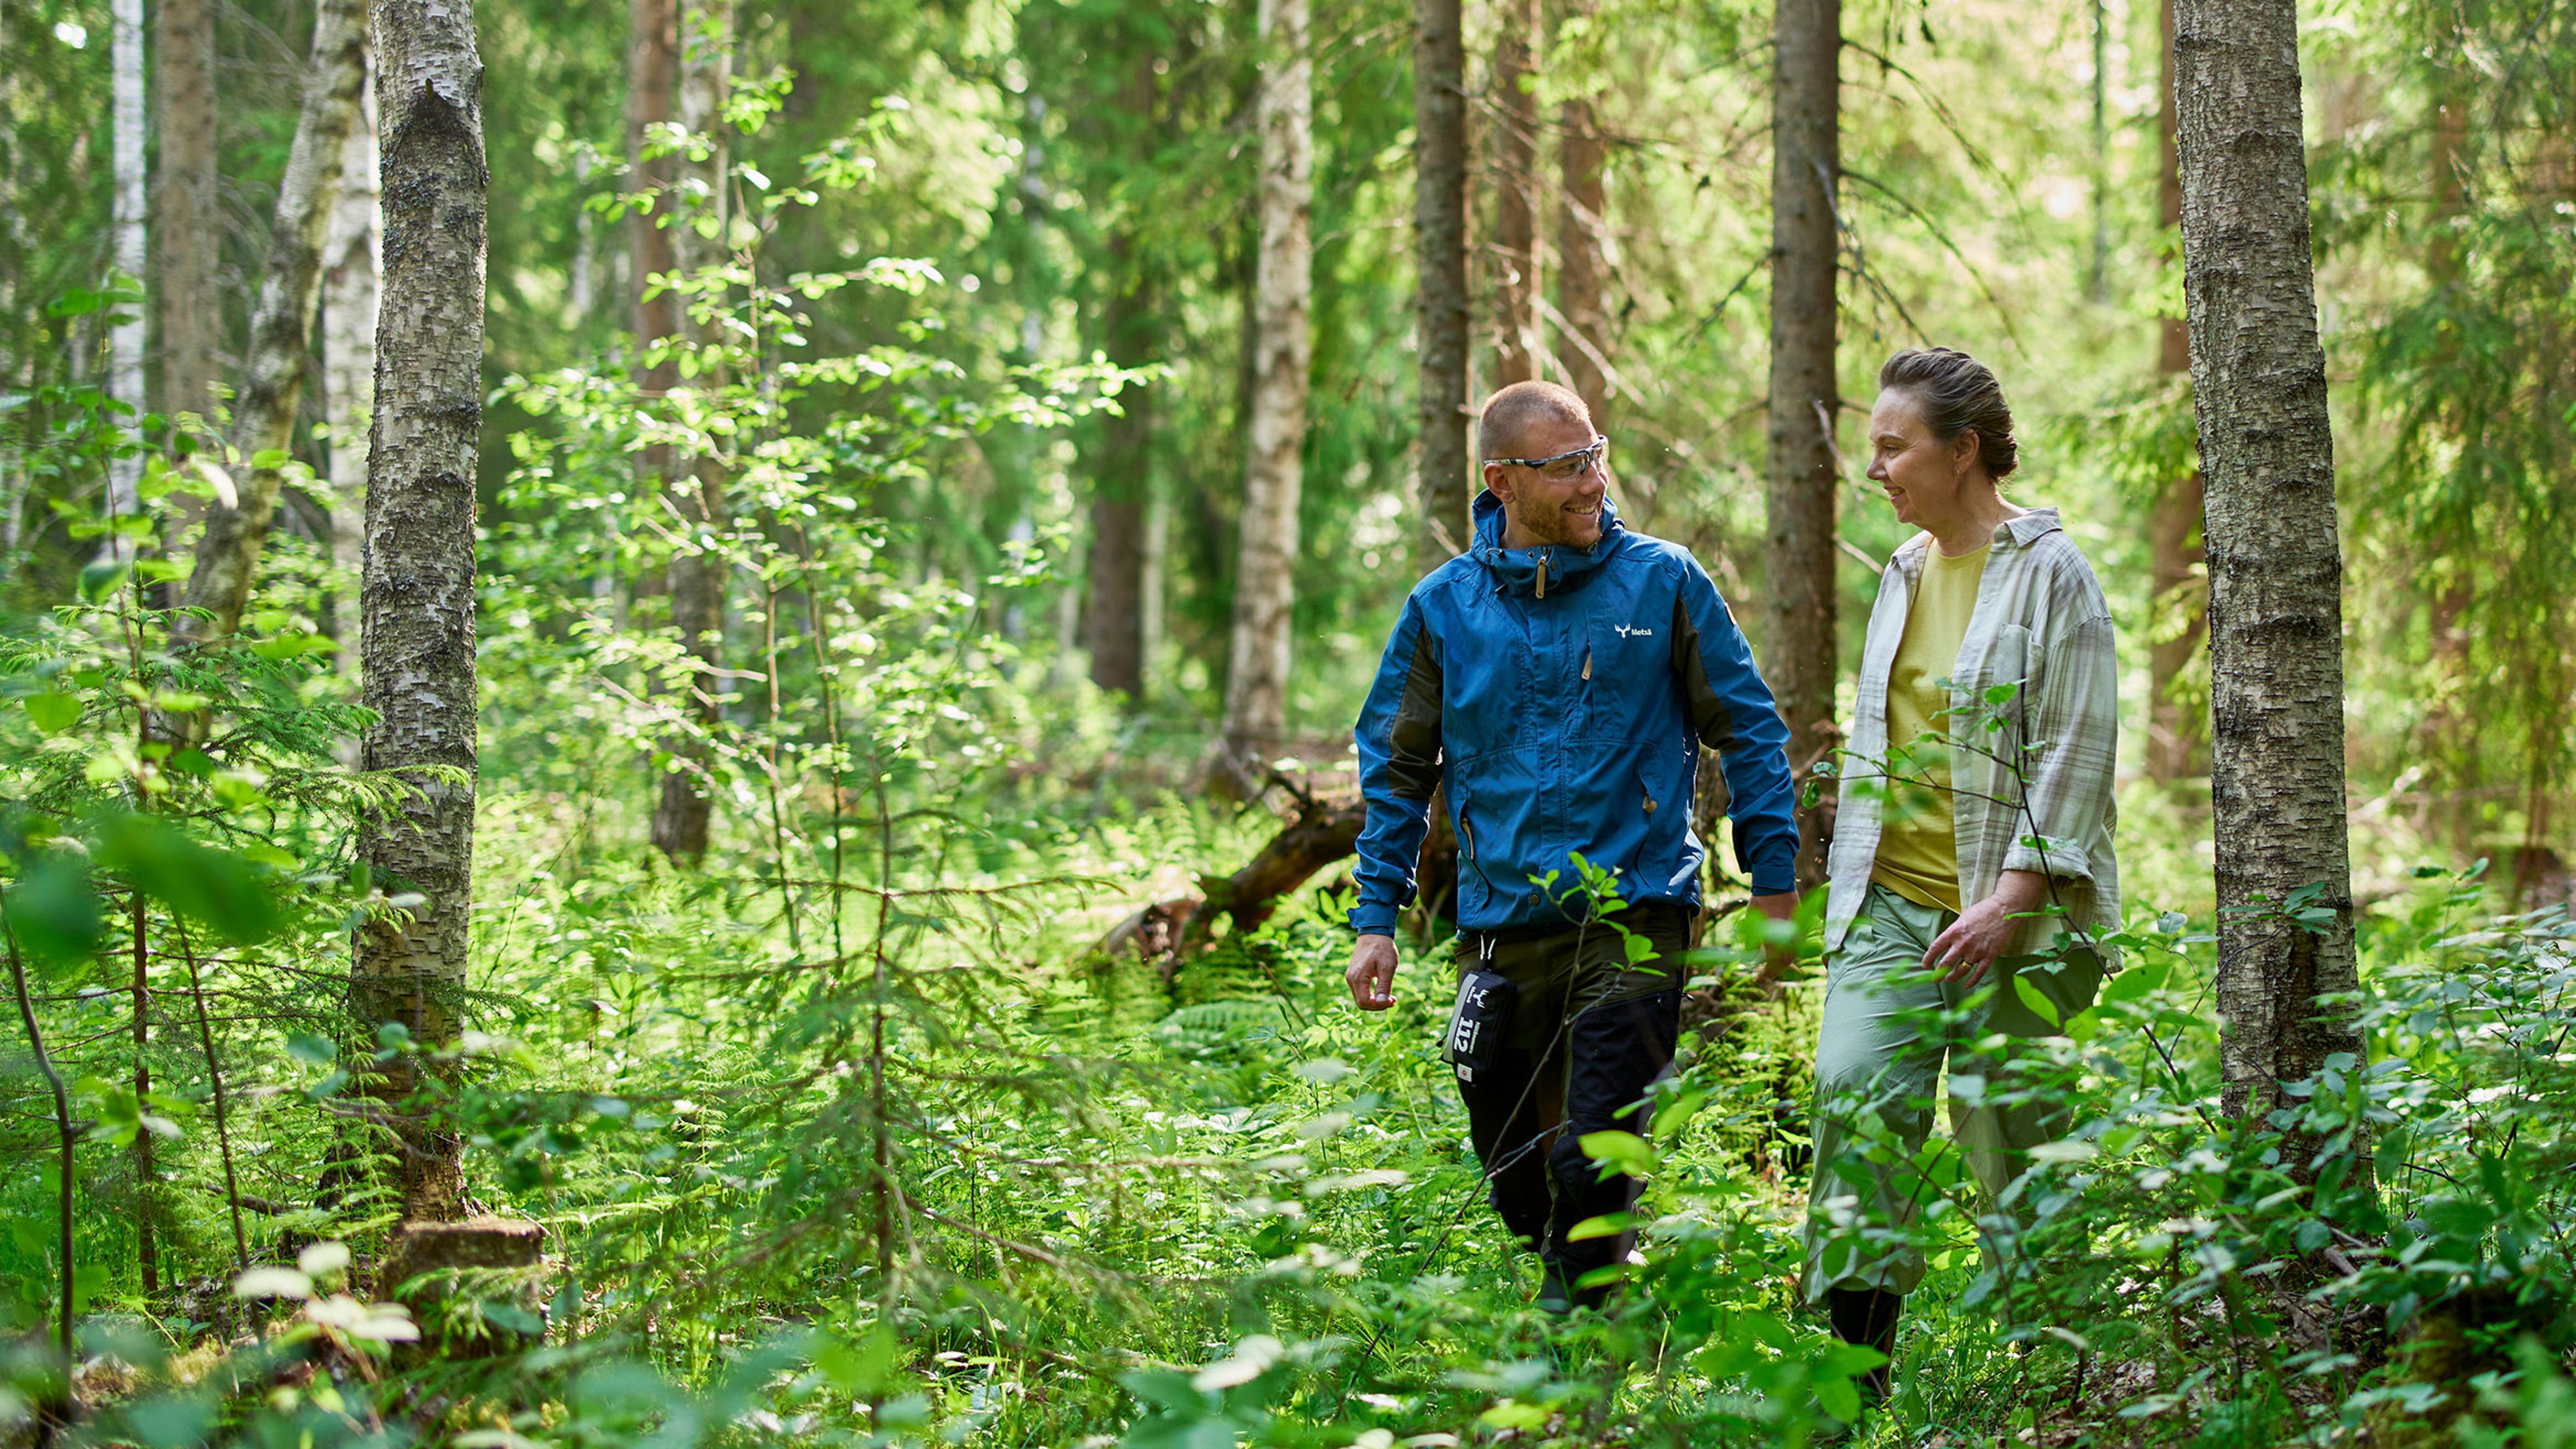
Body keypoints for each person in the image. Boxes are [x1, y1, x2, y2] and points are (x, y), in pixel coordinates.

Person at [1346, 379, 1803, 1313]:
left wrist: (1774, 882)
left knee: (1595, 1154)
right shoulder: (1443, 607)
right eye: (1566, 468)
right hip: (1499, 927)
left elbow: (1748, 729)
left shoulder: (1665, 581)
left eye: (1596, 455)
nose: (1595, 481)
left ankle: (1565, 1369)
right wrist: (1376, 915)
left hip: (1635, 912)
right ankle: (1592, 1296)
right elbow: (1397, 766)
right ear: (1501, 482)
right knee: (1517, 1175)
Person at [1803, 348, 2120, 1393]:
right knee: (1855, 1099)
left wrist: (2012, 902)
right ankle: (1854, 1386)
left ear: (1963, 449)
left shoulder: (2051, 573)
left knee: (2011, 1140)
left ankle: (2054, 1385)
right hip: (1891, 903)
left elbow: (2079, 748)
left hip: (2012, 915)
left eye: (1894, 446)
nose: (1875, 467)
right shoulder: (1900, 575)